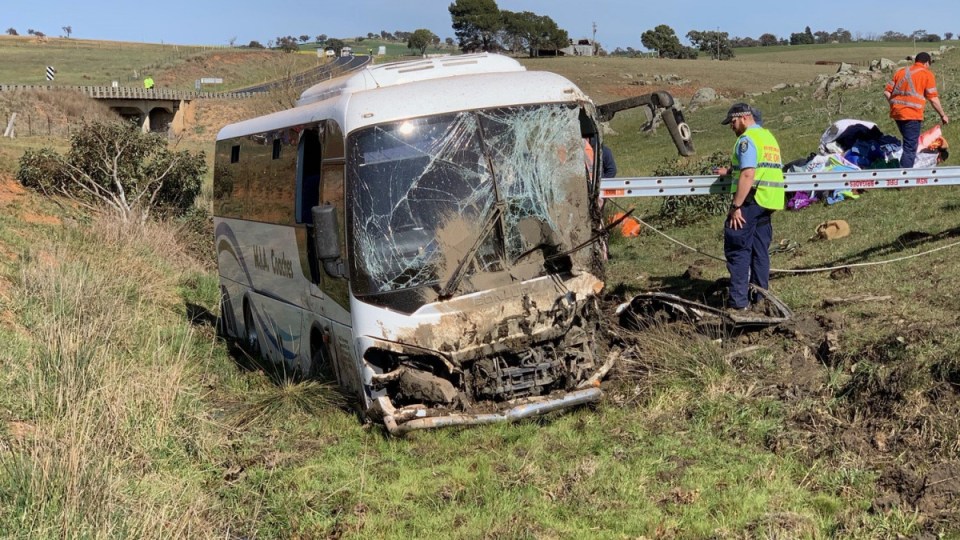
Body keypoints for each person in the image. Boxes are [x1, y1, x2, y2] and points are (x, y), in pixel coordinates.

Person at [713, 103, 785, 314]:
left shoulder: (746, 140)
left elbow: (748, 174)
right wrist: (729, 171)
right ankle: (761, 299)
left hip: (751, 201)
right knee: (759, 251)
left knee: (738, 249)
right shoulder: (767, 137)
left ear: (744, 118)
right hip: (768, 201)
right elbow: (757, 166)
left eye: (733, 122)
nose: (731, 127)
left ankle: (738, 303)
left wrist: (736, 206)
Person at [883, 52, 949, 168]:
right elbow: (933, 98)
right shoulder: (926, 74)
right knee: (910, 148)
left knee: (909, 143)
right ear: (927, 63)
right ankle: (904, 179)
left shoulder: (901, 72)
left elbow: (887, 92)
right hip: (912, 115)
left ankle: (905, 170)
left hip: (897, 114)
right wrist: (943, 115)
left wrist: (894, 105)